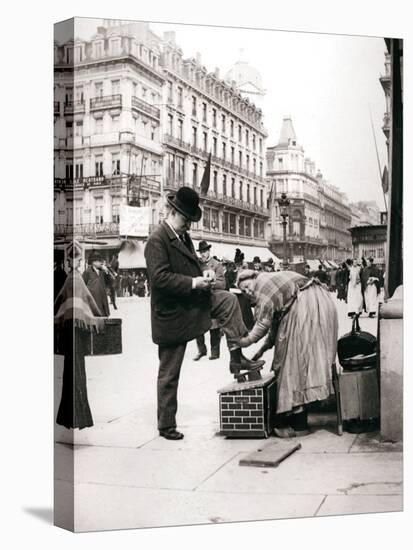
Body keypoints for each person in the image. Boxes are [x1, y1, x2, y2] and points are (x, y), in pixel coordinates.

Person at [144, 186, 265, 441]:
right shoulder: (157, 240)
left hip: (192, 303)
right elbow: (159, 278)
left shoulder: (183, 237)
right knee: (169, 372)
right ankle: (166, 425)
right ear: (173, 212)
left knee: (229, 300)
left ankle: (236, 356)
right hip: (172, 313)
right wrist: (192, 283)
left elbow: (194, 264)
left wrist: (204, 273)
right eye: (186, 219)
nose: (189, 225)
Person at [237, 269, 338, 438]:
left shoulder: (263, 286)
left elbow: (263, 325)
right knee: (301, 361)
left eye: (247, 286)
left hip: (307, 306)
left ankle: (298, 424)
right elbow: (275, 326)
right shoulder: (271, 284)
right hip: (318, 302)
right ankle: (298, 419)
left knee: (293, 364)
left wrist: (244, 342)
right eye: (243, 292)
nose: (247, 292)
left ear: (254, 278)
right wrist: (261, 350)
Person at [54, 246, 105, 430]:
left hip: (69, 331)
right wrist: (99, 318)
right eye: (74, 260)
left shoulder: (70, 279)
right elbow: (89, 303)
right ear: (71, 262)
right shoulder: (76, 280)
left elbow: (59, 302)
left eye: (76, 260)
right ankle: (79, 418)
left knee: (70, 374)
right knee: (78, 374)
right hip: (77, 333)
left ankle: (68, 418)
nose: (76, 263)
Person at [194, 240, 225, 361]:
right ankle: (201, 350)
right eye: (201, 252)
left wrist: (211, 283)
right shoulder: (197, 265)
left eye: (205, 251)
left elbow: (222, 284)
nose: (203, 254)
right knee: (197, 326)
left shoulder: (217, 265)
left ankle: (214, 352)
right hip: (200, 299)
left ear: (209, 251)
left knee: (214, 326)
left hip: (212, 298)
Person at [82, 252, 111, 316]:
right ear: (93, 262)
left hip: (102, 299)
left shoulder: (102, 272)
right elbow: (83, 285)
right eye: (99, 261)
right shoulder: (87, 272)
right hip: (94, 300)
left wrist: (107, 272)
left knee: (103, 316)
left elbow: (110, 282)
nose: (101, 263)